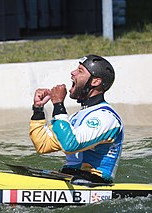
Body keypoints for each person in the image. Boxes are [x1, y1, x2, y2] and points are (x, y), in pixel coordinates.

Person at [29, 54, 124, 184]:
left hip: (94, 182)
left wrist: (58, 105)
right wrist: (38, 109)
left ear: (95, 82)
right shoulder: (76, 117)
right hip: (70, 177)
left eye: (80, 71)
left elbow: (71, 145)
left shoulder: (106, 117)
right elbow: (43, 145)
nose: (72, 73)